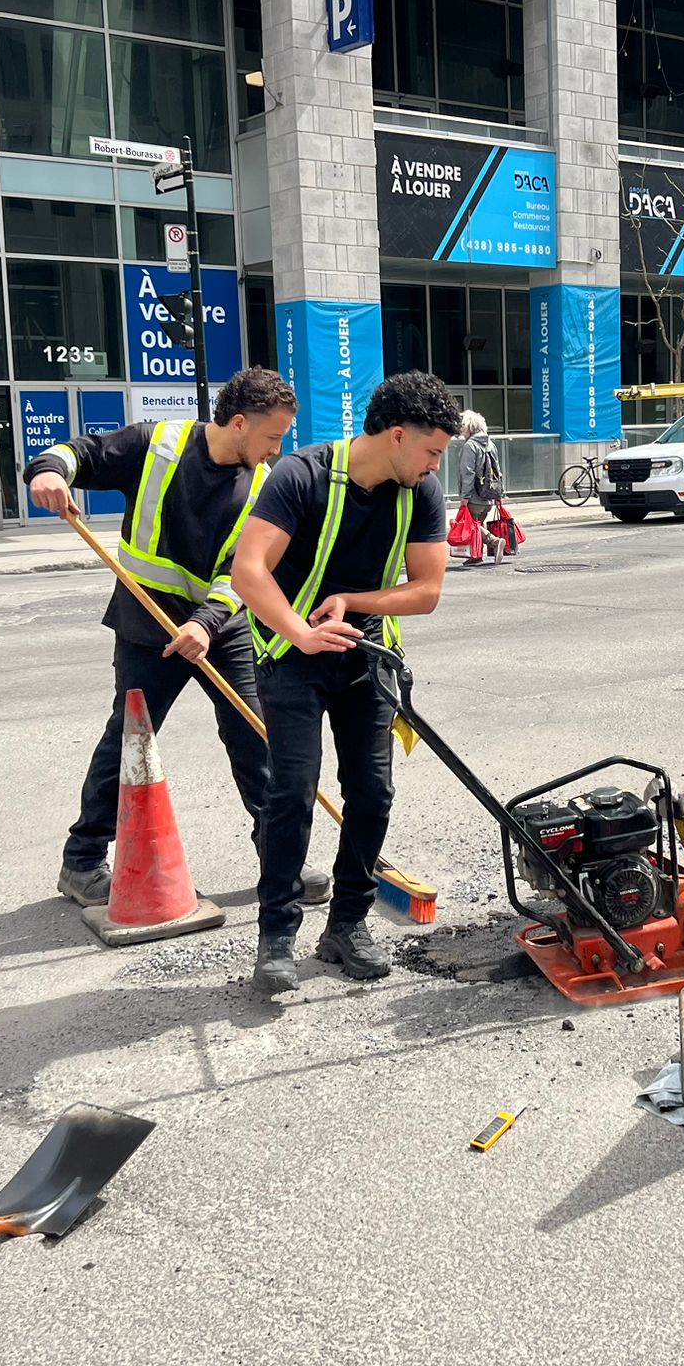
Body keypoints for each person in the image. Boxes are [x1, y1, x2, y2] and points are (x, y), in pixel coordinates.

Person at [24, 369, 332, 911]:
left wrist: (205, 624)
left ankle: (277, 852)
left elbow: (244, 569)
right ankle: (82, 861)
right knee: (128, 741)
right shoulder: (155, 444)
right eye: (271, 437)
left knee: (259, 737)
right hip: (147, 627)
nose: (275, 450)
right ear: (239, 424)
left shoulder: (265, 483)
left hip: (222, 627)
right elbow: (79, 453)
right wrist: (48, 471)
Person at [230, 372, 460, 995]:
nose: (437, 464)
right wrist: (300, 633)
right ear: (395, 436)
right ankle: (276, 937)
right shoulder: (301, 476)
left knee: (374, 792)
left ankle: (347, 925)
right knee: (292, 793)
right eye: (433, 450)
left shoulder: (422, 491)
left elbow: (427, 590)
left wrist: (353, 600)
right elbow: (248, 570)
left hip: (364, 656)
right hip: (292, 655)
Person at [457, 410, 508, 565]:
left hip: (474, 496)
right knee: (478, 524)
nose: (461, 432)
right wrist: (499, 495)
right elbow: (497, 471)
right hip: (489, 495)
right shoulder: (491, 445)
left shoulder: (470, 446)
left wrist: (464, 497)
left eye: (463, 429)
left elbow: (468, 473)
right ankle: (476, 556)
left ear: (469, 428)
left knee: (471, 526)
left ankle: (494, 541)